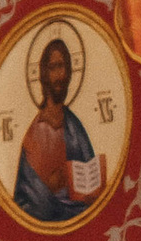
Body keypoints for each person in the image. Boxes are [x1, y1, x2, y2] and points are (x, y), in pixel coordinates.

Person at [13, 35, 104, 222]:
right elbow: (26, 199)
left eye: (65, 67)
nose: (61, 75)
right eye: (54, 67)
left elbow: (92, 188)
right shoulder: (35, 131)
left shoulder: (75, 127)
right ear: (43, 74)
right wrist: (52, 188)